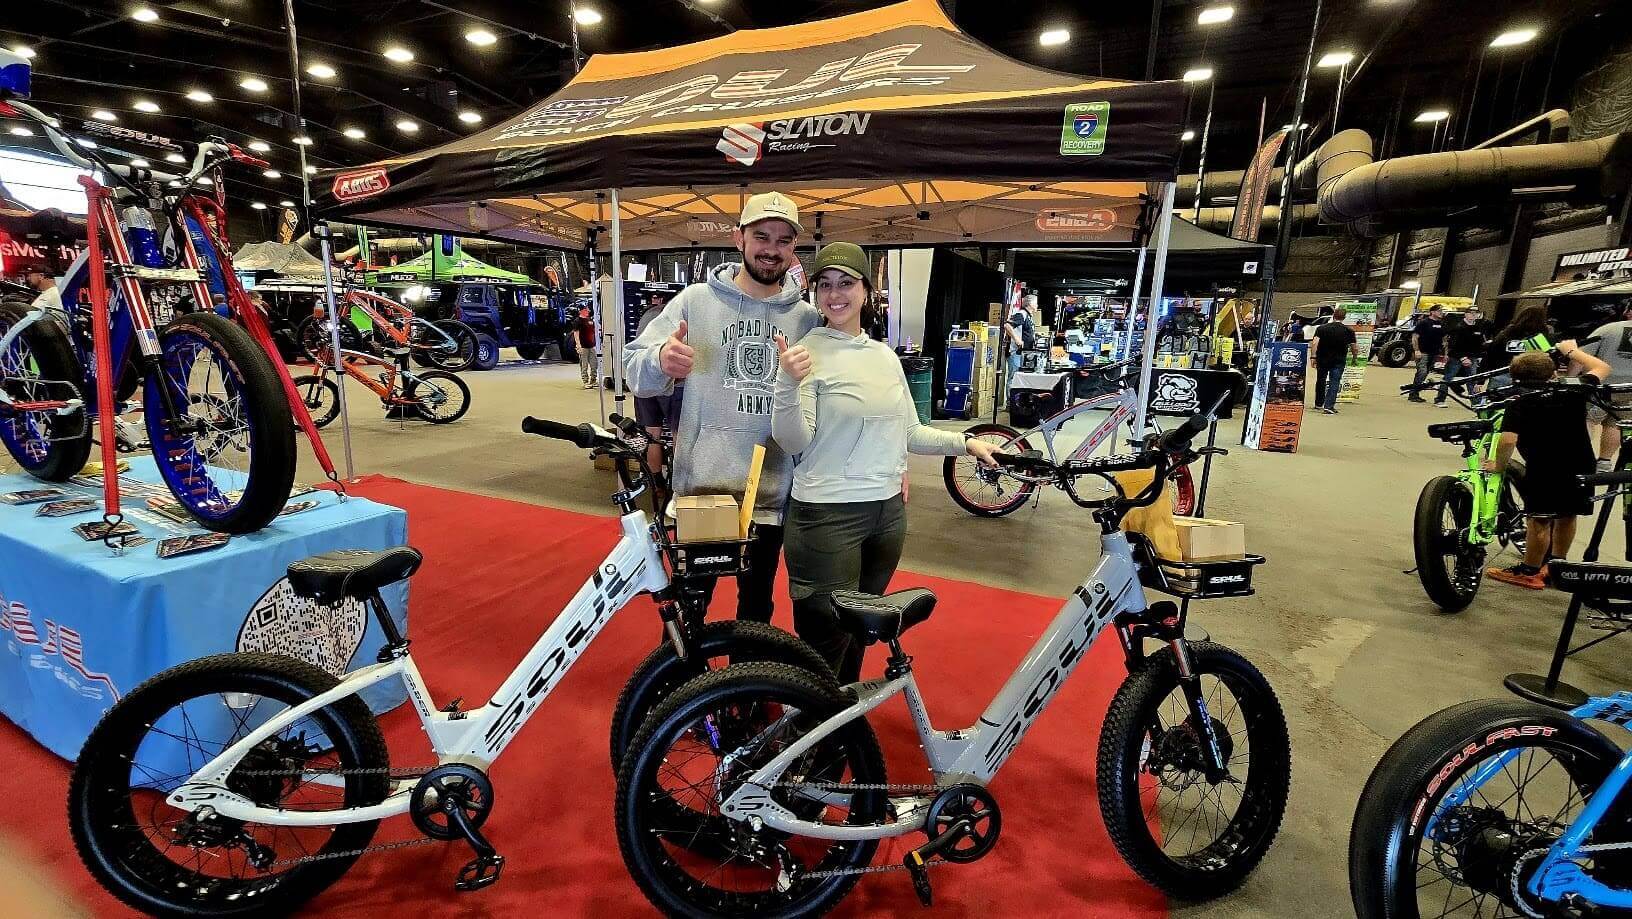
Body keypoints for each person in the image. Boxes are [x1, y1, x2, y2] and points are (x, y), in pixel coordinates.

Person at [771, 242, 1002, 682]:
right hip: (826, 517)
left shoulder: (884, 356)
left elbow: (910, 433)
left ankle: (844, 734)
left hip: (886, 516)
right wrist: (787, 383)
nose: (835, 294)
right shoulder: (805, 352)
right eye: (825, 285)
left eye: (846, 283)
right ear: (814, 293)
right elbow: (791, 439)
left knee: (859, 634)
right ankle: (808, 738)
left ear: (866, 291)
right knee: (824, 640)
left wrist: (966, 444)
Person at [623, 192, 819, 626]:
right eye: (761, 236)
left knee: (756, 609)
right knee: (691, 608)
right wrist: (661, 361)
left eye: (784, 240)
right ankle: (681, 691)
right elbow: (633, 368)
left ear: (793, 249)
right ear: (738, 238)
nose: (772, 248)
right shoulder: (694, 301)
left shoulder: (807, 319)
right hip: (703, 492)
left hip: (770, 495)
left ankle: (748, 690)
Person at [1484, 344, 1612, 589]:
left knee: (1539, 519)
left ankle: (1529, 571)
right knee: (1567, 514)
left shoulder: (1519, 400)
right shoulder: (1574, 390)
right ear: (1554, 373)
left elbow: (1508, 439)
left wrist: (1499, 466)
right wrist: (1570, 350)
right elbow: (1602, 367)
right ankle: (1556, 567)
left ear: (1515, 378)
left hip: (1544, 466)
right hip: (1580, 461)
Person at [632, 291, 681, 478]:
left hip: (644, 380)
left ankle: (655, 481)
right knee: (679, 435)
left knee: (651, 435)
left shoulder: (646, 316)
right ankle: (676, 483)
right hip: (672, 383)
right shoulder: (675, 316)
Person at [1579, 300, 1632, 471]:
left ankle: (1582, 459)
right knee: (1615, 423)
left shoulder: (1608, 329)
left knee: (1587, 419)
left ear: (1628, 311)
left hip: (1601, 386)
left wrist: (1575, 378)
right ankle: (1604, 462)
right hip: (1629, 389)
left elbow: (1580, 355)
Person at [1481, 304, 1550, 388]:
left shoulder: (1510, 331)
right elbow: (1546, 357)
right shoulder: (1542, 336)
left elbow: (1492, 352)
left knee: (1495, 399)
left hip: (1503, 372)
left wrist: (1481, 379)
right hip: (1529, 377)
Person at [1310, 306, 1358, 414]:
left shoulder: (1322, 328)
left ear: (1333, 315)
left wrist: (1313, 357)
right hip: (1338, 360)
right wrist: (1354, 358)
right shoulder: (1349, 331)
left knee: (1320, 380)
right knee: (1334, 382)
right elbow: (1354, 347)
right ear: (1344, 317)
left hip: (1322, 359)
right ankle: (1329, 406)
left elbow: (1314, 343)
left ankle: (1318, 403)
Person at [1435, 308, 1486, 406]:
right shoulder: (1458, 327)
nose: (1473, 315)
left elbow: (1479, 344)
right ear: (1465, 314)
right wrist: (1463, 357)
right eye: (1471, 313)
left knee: (1472, 379)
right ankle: (1440, 399)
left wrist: (1480, 356)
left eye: (1475, 313)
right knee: (1448, 378)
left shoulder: (1478, 328)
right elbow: (1454, 345)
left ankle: (1475, 403)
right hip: (1456, 357)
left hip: (1472, 357)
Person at [1407, 305, 1447, 402]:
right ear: (1432, 312)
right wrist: (1416, 350)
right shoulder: (1424, 323)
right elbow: (1415, 337)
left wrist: (1445, 353)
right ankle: (1413, 394)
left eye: (1442, 311)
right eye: (1439, 311)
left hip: (1434, 353)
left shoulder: (1441, 324)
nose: (1441, 312)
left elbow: (1444, 340)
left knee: (1425, 373)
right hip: (1423, 352)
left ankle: (1415, 392)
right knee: (1422, 372)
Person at [1006, 295, 1038, 380]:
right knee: (1014, 378)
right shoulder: (1021, 314)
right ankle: (1011, 393)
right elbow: (1007, 325)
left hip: (1025, 354)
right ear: (1030, 304)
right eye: (1036, 303)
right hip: (1017, 352)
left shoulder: (1028, 316)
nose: (1037, 305)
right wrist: (1017, 339)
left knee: (1020, 379)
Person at [573, 305, 596, 388]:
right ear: (581, 311)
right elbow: (576, 333)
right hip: (583, 346)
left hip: (592, 346)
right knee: (584, 365)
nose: (588, 311)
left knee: (594, 364)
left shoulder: (590, 320)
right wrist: (578, 345)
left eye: (588, 309)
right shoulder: (577, 321)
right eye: (586, 310)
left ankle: (593, 380)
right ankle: (585, 381)